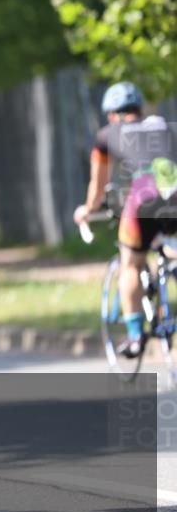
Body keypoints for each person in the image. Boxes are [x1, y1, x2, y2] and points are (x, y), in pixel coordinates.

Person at [74, 82, 177, 357]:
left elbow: (99, 184)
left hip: (143, 197)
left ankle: (134, 336)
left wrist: (87, 209)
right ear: (139, 110)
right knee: (171, 246)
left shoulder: (107, 134)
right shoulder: (165, 125)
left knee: (131, 262)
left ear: (111, 114)